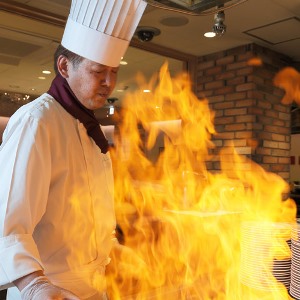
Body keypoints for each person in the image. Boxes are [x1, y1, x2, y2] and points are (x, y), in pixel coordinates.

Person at [0, 1, 147, 299]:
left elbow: (86, 217)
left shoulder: (88, 127)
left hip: (95, 287)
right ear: (65, 66)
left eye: (114, 71)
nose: (109, 83)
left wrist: (115, 251)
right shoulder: (36, 121)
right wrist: (33, 285)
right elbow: (8, 223)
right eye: (98, 71)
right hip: (49, 289)